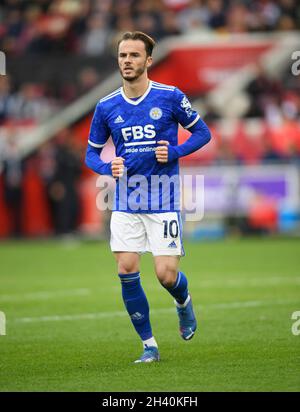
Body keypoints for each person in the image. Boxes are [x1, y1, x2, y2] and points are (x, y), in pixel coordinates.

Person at [85, 31, 211, 363]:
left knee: (165, 275)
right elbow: (91, 154)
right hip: (126, 201)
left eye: (134, 56)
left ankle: (183, 302)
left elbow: (203, 132)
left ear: (148, 60)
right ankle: (149, 345)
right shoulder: (106, 105)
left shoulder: (170, 97)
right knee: (126, 267)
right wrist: (105, 166)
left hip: (164, 199)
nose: (127, 61)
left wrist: (176, 151)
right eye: (123, 55)